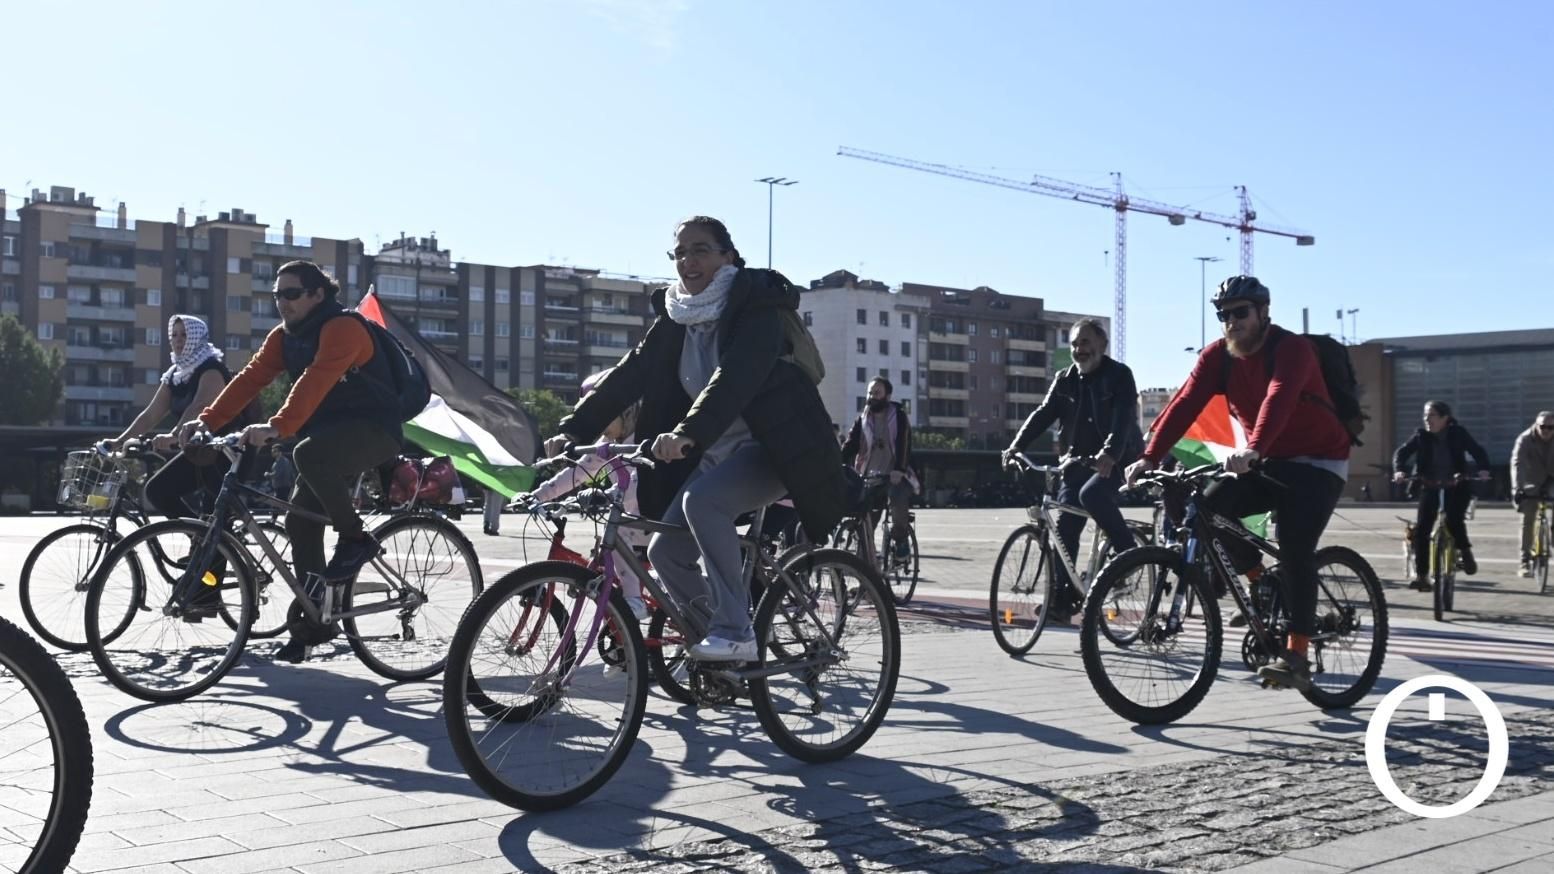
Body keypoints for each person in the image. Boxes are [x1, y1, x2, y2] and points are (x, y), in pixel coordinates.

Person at [545, 216, 845, 662]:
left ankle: (735, 630)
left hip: (776, 448)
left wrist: (687, 433)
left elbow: (735, 377)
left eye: (700, 249)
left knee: (702, 503)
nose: (688, 261)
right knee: (667, 551)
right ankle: (722, 652)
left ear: (728, 256)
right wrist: (575, 428)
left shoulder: (755, 307)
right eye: (680, 252)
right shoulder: (679, 314)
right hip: (719, 454)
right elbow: (632, 372)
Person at [1126, 276, 1351, 692]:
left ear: (1264, 312)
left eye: (1240, 312)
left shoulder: (1292, 349)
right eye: (1224, 315)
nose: (1232, 322)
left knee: (1296, 547)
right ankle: (1260, 580)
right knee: (1208, 509)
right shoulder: (1219, 357)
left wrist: (1254, 447)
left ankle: (1297, 654)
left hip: (1318, 461)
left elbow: (1278, 397)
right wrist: (1149, 456)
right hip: (1266, 460)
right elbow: (1184, 403)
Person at [179, 260, 404, 663]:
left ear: (319, 294)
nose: (283, 303)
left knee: (307, 452)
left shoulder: (343, 328)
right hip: (328, 435)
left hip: (375, 430)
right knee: (299, 522)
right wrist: (207, 421)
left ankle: (356, 540)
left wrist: (277, 427)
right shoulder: (286, 337)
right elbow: (250, 379)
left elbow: (315, 380)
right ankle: (314, 620)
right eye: (277, 295)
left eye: (292, 294)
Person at [1005, 318, 1142, 621]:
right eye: (1075, 344)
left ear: (1102, 345)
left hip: (1119, 458)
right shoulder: (1064, 378)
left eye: (1086, 343)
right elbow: (1043, 414)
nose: (1080, 349)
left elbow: (1123, 419)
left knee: (1092, 494)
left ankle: (1127, 555)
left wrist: (1110, 452)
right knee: (1065, 526)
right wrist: (1016, 446)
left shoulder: (1119, 375)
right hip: (1077, 460)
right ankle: (1062, 600)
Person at [520, 368, 650, 621]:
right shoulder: (605, 446)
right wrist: (538, 496)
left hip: (652, 520)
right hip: (629, 518)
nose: (599, 424)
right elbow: (576, 474)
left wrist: (609, 495)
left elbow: (640, 482)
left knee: (615, 535)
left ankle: (634, 600)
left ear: (629, 411)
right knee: (606, 550)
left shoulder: (642, 441)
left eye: (605, 415)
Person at [107, 315, 251, 519]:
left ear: (197, 338)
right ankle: (197, 536)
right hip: (197, 450)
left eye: (185, 334)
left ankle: (212, 544)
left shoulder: (211, 369)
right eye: (174, 334)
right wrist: (119, 441)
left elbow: (199, 406)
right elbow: (150, 414)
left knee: (216, 516)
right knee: (157, 491)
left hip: (226, 451)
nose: (178, 339)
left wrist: (174, 436)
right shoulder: (175, 375)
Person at [1393, 400, 1491, 588]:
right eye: (1425, 415)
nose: (1427, 419)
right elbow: (1402, 453)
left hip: (1456, 486)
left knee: (1453, 520)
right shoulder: (1421, 436)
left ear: (1445, 418)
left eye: (1432, 415)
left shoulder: (1458, 433)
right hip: (1429, 485)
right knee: (1422, 530)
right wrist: (1399, 471)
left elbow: (1477, 451)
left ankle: (1465, 552)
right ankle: (1422, 576)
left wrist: (1484, 469)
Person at [841, 376, 918, 563]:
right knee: (863, 523)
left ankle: (900, 542)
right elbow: (851, 444)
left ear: (887, 396)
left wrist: (899, 469)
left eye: (877, 393)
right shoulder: (863, 418)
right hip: (869, 477)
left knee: (898, 503)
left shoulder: (897, 415)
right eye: (870, 392)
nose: (872, 396)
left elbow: (904, 443)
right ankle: (864, 574)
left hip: (894, 476)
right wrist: (836, 462)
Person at [1512, 411, 1554, 577]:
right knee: (1527, 519)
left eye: (1551, 428)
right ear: (1536, 425)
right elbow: (1517, 463)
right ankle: (1524, 561)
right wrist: (1518, 488)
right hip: (1531, 480)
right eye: (1543, 427)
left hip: (1552, 478)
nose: (1547, 431)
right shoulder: (1525, 439)